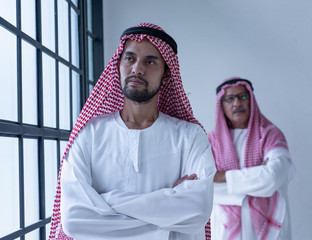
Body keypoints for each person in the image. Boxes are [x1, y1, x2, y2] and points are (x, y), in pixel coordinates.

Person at [48, 23, 216, 240]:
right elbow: (73, 220)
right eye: (129, 58)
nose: (137, 68)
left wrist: (103, 201)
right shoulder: (89, 134)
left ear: (166, 75)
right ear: (118, 66)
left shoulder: (191, 137)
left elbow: (197, 211)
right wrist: (168, 215)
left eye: (150, 61)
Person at [208, 77, 295, 240]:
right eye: (229, 98)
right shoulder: (211, 142)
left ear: (250, 100)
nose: (237, 103)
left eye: (242, 97)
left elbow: (272, 178)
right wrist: (257, 176)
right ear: (221, 104)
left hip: (269, 228)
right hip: (224, 228)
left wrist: (223, 177)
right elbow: (205, 187)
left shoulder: (271, 135)